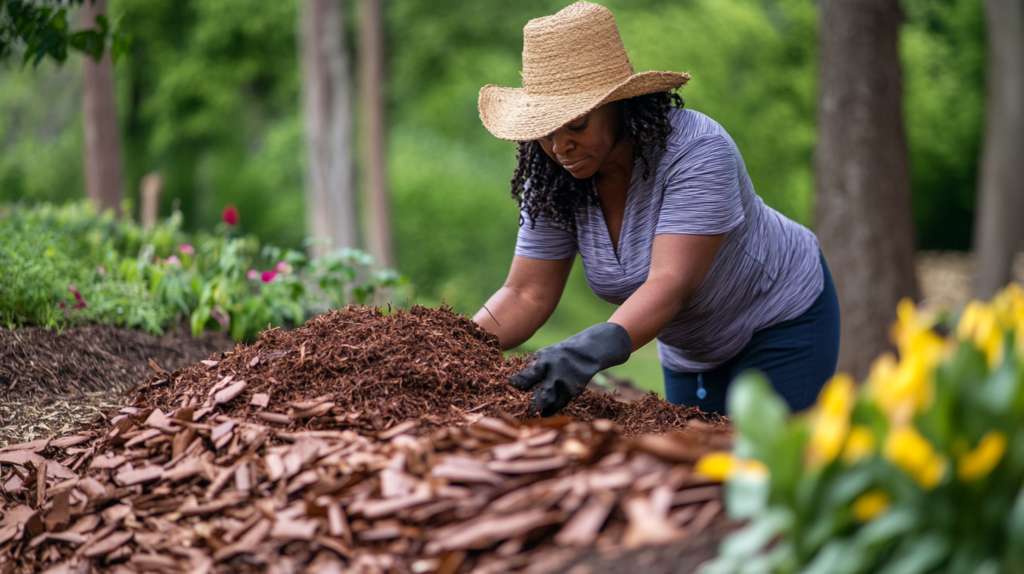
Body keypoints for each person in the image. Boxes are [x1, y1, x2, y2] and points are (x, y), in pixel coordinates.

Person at [472, 1, 840, 417]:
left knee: (764, 470)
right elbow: (525, 292)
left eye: (576, 124)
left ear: (618, 104)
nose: (560, 147)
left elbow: (671, 283)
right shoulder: (554, 177)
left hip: (780, 316)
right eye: (544, 133)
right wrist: (449, 344)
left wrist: (588, 349)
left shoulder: (697, 151)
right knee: (697, 469)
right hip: (690, 346)